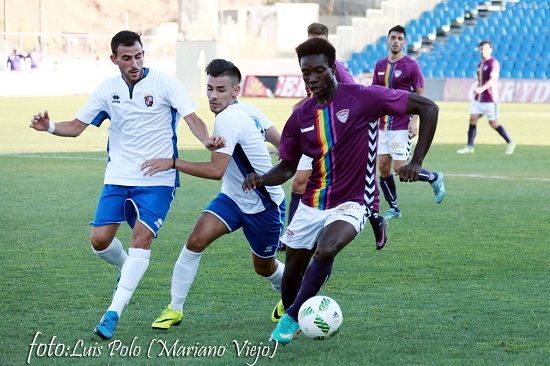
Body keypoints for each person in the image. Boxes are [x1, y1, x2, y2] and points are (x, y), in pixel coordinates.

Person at [242, 37, 439, 345]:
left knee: (328, 248)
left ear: (333, 68)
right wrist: (262, 178)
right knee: (293, 270)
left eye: (318, 70)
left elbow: (428, 107)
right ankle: (294, 310)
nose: (312, 78)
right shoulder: (300, 117)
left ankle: (293, 316)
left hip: (354, 200)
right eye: (305, 72)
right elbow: (288, 166)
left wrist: (417, 161)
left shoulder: (362, 97)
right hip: (313, 203)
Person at [29, 30, 223, 340]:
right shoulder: (107, 89)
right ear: (114, 59)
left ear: (144, 54)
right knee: (99, 241)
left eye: (139, 55)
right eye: (127, 57)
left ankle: (112, 313)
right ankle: (127, 269)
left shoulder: (164, 83)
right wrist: (49, 127)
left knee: (141, 239)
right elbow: (77, 127)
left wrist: (207, 141)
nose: (134, 62)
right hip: (117, 177)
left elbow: (192, 119)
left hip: (157, 180)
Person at [141, 59, 286, 330]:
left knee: (264, 268)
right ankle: (174, 308)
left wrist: (173, 162)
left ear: (235, 90)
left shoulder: (230, 119)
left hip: (264, 205)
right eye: (209, 88)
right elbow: (283, 143)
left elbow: (215, 170)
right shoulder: (249, 110)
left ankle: (294, 294)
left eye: (221, 89)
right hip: (232, 198)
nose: (213, 96)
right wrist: (281, 152)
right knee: (195, 241)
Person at [287, 22, 387, 251]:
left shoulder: (335, 67)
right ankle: (294, 234)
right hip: (313, 130)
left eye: (320, 38)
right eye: (312, 37)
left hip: (335, 134)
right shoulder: (309, 65)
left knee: (357, 188)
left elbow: (353, 96)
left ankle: (374, 218)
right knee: (298, 184)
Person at [372, 25, 445, 220]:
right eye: (393, 37)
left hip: (401, 124)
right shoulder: (379, 65)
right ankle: (394, 208)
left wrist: (415, 120)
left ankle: (434, 177)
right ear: (388, 40)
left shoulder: (411, 65)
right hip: (382, 125)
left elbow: (420, 94)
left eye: (399, 38)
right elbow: (374, 93)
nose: (396, 41)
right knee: (383, 167)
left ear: (404, 42)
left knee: (399, 169)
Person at [457, 40, 515, 155]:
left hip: (490, 99)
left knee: (493, 123)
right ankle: (469, 146)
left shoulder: (493, 63)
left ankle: (510, 142)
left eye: (485, 49)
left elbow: (493, 80)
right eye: (481, 49)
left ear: (490, 50)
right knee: (473, 118)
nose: (483, 51)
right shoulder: (480, 65)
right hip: (478, 98)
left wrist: (482, 88)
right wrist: (478, 89)